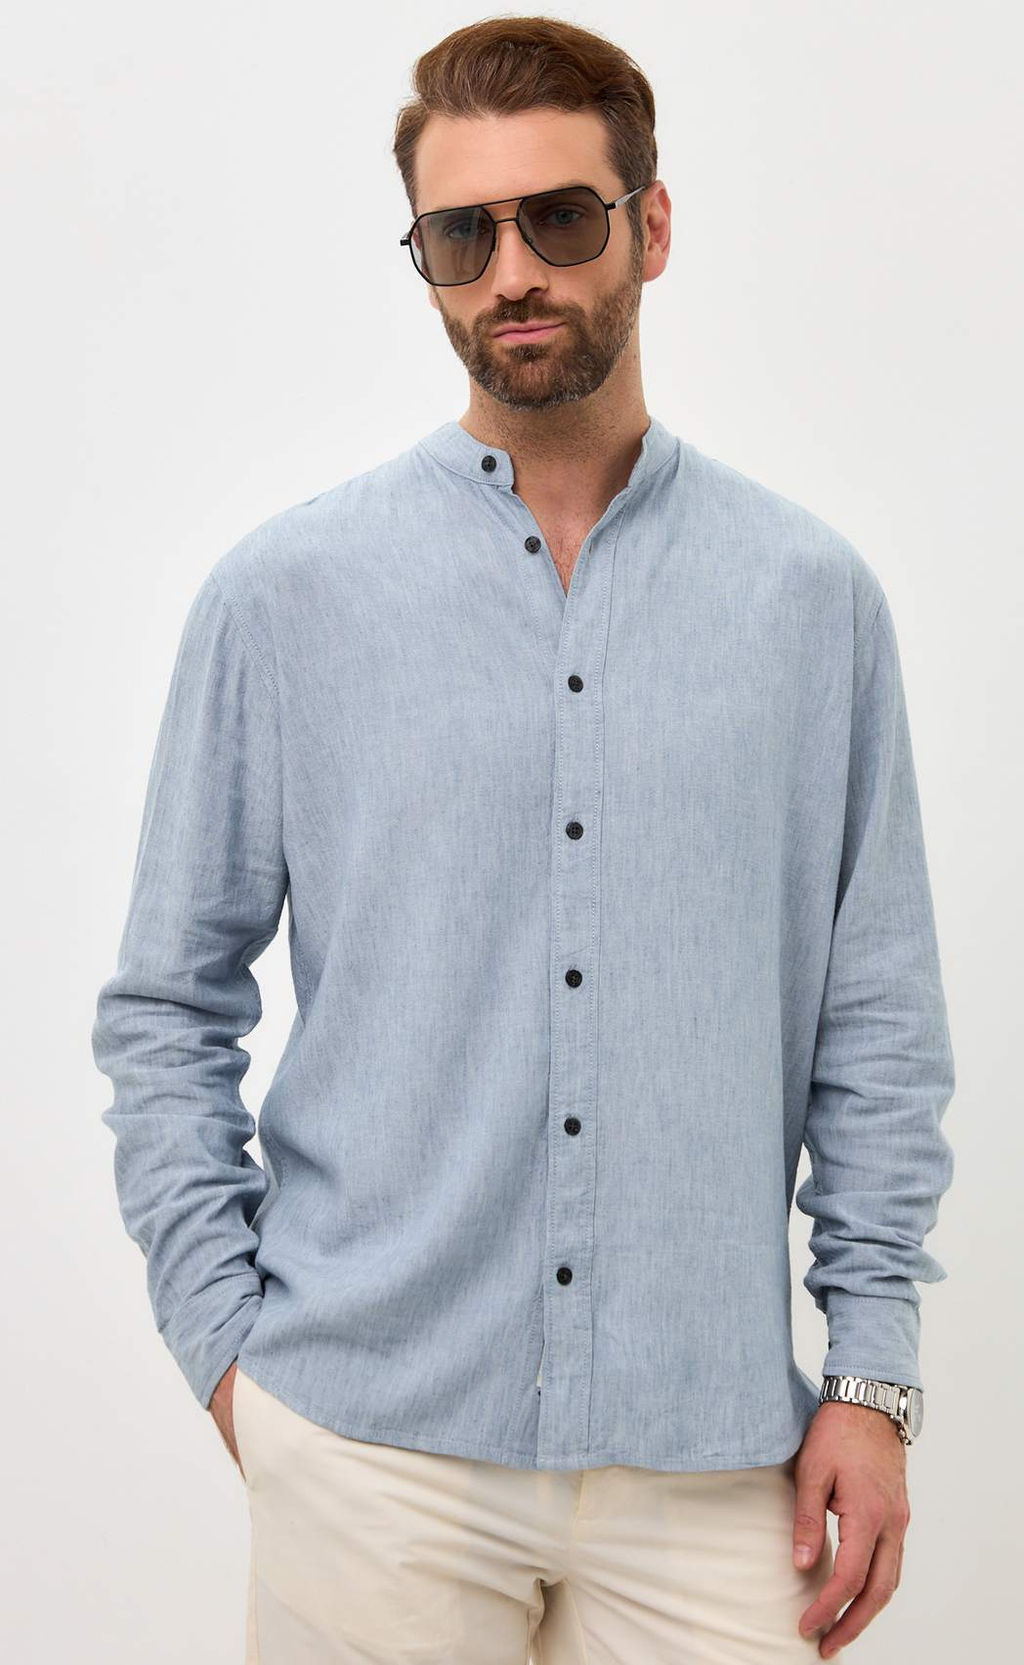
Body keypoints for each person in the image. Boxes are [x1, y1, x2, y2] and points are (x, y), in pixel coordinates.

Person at [91, 15, 956, 1664]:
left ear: (652, 224)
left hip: (714, 1451)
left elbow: (881, 1026)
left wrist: (871, 1373)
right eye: (460, 234)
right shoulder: (287, 597)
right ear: (423, 257)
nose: (513, 273)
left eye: (560, 217)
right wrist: (231, 1356)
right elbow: (167, 1004)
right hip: (371, 1441)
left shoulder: (810, 603)